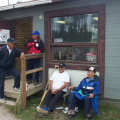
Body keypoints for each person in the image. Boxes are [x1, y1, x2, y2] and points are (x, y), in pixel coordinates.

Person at [0, 38, 25, 103]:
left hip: (10, 67)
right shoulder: (2, 49)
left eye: (14, 43)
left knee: (17, 74)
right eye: (12, 43)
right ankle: (2, 97)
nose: (14, 45)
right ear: (8, 43)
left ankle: (16, 87)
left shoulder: (14, 49)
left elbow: (20, 51)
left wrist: (22, 53)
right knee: (1, 82)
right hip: (2, 68)